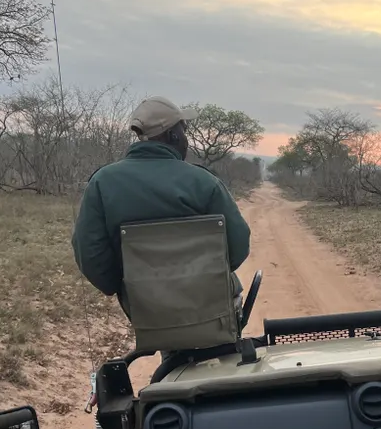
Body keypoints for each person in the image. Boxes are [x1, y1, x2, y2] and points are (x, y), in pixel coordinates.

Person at [71, 96, 251, 317]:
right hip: (209, 307)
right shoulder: (204, 183)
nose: (186, 139)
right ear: (173, 135)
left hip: (145, 310)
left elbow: (89, 253)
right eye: (183, 130)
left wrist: (125, 287)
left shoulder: (101, 183)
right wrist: (205, 278)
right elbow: (239, 246)